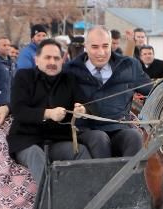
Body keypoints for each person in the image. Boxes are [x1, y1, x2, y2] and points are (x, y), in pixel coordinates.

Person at [6, 39, 91, 185]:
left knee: (81, 151)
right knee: (36, 155)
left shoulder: (69, 79)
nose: (52, 62)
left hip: (57, 140)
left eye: (56, 58)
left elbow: (84, 103)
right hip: (27, 141)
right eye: (47, 57)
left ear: (62, 60)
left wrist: (81, 109)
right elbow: (18, 110)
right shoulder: (23, 77)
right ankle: (52, 203)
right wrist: (48, 113)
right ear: (36, 59)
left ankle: (88, 198)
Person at [63, 26, 152, 158]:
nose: (101, 52)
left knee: (134, 136)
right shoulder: (70, 70)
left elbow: (151, 91)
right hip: (87, 130)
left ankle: (133, 177)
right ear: (85, 47)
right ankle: (103, 178)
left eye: (105, 46)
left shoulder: (129, 66)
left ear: (111, 44)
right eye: (95, 47)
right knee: (99, 138)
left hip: (119, 127)